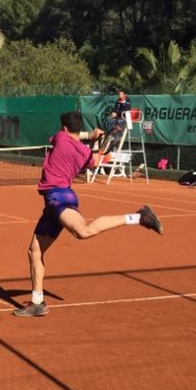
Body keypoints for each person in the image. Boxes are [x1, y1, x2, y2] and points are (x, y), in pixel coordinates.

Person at [14, 111, 163, 318]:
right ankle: (37, 302)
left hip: (59, 196)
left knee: (83, 231)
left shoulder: (60, 138)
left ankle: (139, 217)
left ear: (64, 128)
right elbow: (94, 161)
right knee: (35, 251)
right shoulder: (84, 153)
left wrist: (91, 136)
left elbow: (75, 139)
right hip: (55, 201)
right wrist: (95, 141)